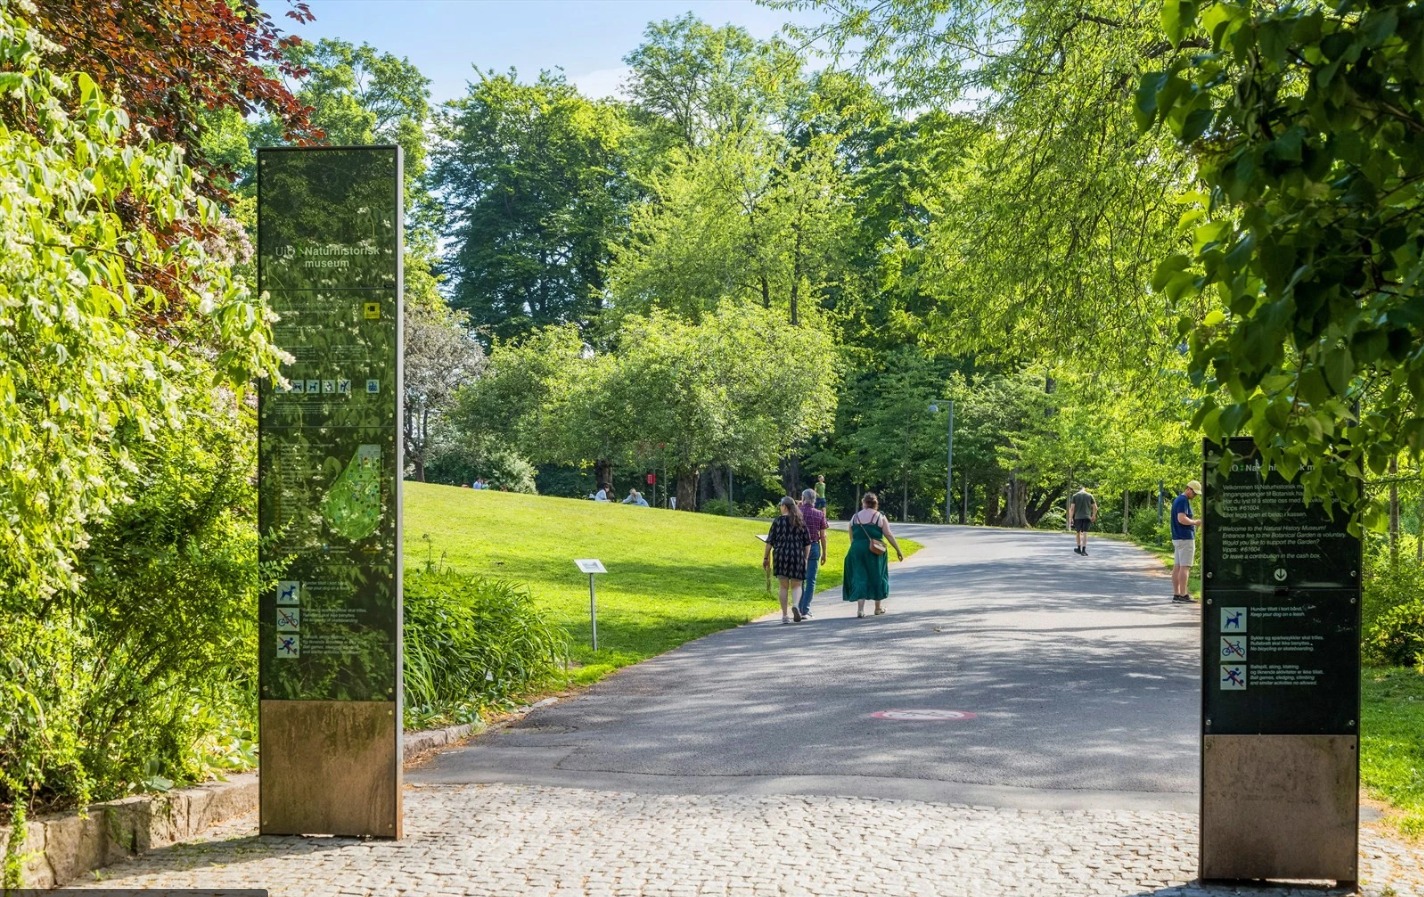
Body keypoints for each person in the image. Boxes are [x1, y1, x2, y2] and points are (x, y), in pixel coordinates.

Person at [844, 492, 904, 618]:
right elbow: (888, 534)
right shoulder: (879, 517)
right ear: (876, 504)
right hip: (875, 550)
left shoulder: (855, 517)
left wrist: (856, 546)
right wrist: (898, 550)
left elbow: (851, 535)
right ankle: (877, 608)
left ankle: (860, 610)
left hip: (857, 549)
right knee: (878, 575)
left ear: (864, 503)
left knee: (860, 576)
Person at [763, 496, 811, 625]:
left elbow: (769, 542)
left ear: (784, 506)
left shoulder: (778, 521)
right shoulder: (800, 521)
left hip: (781, 555)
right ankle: (795, 605)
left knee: (783, 587)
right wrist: (805, 558)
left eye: (780, 505)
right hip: (796, 555)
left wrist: (766, 557)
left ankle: (784, 615)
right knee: (797, 585)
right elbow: (807, 543)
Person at [794, 488, 829, 622]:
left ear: (803, 498)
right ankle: (805, 610)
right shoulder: (819, 514)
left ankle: (798, 605)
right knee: (811, 580)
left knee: (799, 579)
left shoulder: (797, 513)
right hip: (814, 546)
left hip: (798, 547)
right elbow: (823, 536)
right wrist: (825, 553)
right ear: (815, 500)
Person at [1171, 480, 1203, 603]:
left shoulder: (1177, 500)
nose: (1194, 496)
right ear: (1188, 489)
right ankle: (1184, 595)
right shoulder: (1183, 500)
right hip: (1185, 538)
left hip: (1178, 538)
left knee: (1177, 567)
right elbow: (1181, 518)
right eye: (1194, 493)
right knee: (1185, 567)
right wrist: (1195, 522)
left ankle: (1177, 594)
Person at [1068, 485, 1098, 555]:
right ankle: (1084, 550)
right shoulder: (1090, 495)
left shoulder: (1075, 496)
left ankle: (1078, 548)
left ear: (1078, 490)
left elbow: (1072, 509)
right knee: (1085, 533)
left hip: (1078, 517)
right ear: (1084, 489)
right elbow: (1095, 507)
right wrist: (1093, 515)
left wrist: (1071, 518)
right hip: (1087, 517)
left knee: (1078, 532)